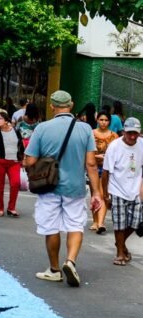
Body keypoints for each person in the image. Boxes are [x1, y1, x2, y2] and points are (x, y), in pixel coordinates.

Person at [24, 90, 102, 287]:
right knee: (75, 225)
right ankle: (71, 261)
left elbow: (30, 161)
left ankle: (54, 269)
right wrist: (97, 193)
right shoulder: (85, 129)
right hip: (75, 187)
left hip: (48, 186)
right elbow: (91, 164)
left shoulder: (42, 128)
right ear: (72, 104)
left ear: (52, 106)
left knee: (51, 228)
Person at [101, 118, 143, 266]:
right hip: (117, 189)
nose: (132, 137)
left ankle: (120, 243)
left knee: (136, 222)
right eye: (130, 133)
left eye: (136, 134)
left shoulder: (142, 145)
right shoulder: (114, 147)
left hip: (135, 189)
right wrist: (105, 195)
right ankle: (120, 253)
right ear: (124, 132)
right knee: (119, 223)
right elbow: (105, 173)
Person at [0, 110, 24, 217]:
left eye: (0, 118)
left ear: (6, 119)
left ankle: (11, 207)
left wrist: (23, 159)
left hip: (14, 162)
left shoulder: (16, 131)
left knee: (15, 183)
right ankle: (0, 208)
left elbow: (20, 146)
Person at [90, 111, 117, 234]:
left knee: (102, 194)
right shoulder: (91, 134)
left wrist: (105, 157)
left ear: (109, 122)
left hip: (107, 168)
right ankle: (95, 221)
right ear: (97, 120)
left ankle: (101, 222)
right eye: (101, 119)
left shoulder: (114, 136)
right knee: (94, 194)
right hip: (93, 167)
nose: (103, 122)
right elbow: (87, 152)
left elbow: (117, 154)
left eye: (106, 120)